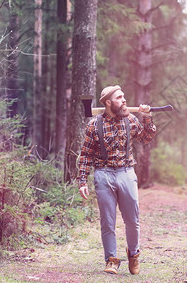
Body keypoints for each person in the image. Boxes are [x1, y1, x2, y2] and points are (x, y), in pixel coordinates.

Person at [78, 85, 156, 275]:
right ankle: (111, 260)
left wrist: (146, 118)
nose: (124, 100)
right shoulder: (94, 125)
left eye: (124, 96)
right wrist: (82, 181)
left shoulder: (129, 119)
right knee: (108, 221)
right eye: (119, 97)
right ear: (107, 102)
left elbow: (146, 138)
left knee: (132, 219)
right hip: (103, 174)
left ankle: (134, 254)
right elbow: (86, 154)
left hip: (126, 172)